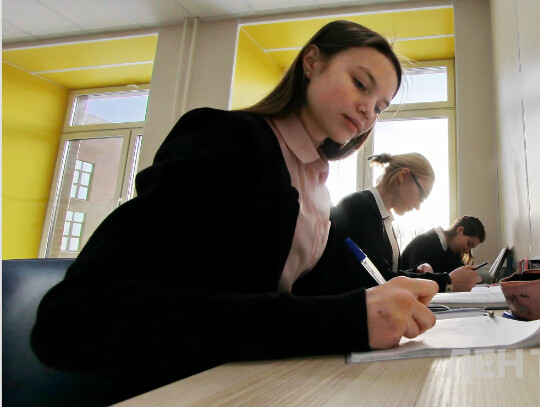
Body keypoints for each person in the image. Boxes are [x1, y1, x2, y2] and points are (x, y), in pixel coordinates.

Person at [30, 20, 439, 403]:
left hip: (257, 385)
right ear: (312, 62)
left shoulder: (317, 187)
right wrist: (346, 319)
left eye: (380, 106)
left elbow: (295, 301)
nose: (368, 110)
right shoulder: (227, 141)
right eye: (360, 84)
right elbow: (74, 318)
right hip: (178, 390)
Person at [331, 153, 460, 292]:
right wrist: (446, 281)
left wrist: (416, 272)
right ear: (403, 176)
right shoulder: (359, 207)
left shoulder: (382, 216)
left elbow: (386, 273)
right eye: (421, 196)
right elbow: (376, 279)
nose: (418, 206)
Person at [401, 215, 485, 291]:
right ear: (460, 230)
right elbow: (417, 282)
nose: (467, 251)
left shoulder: (452, 252)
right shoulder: (424, 242)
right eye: (469, 244)